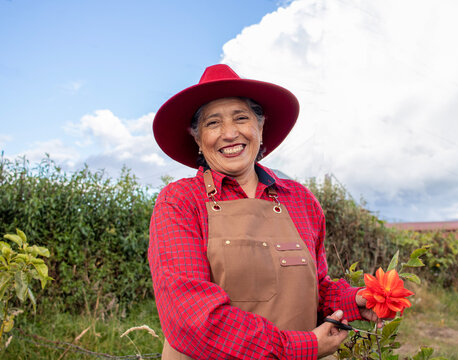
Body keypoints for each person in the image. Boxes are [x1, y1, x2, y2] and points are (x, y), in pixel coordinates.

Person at [148, 64, 382, 360]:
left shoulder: (300, 199)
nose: (230, 133)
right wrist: (300, 348)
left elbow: (317, 288)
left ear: (260, 127)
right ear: (197, 138)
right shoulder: (180, 201)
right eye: (213, 123)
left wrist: (354, 300)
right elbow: (191, 318)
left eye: (241, 118)